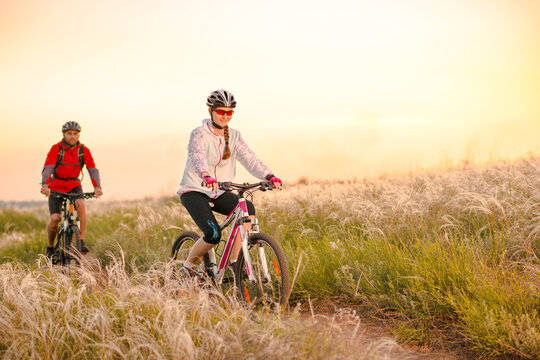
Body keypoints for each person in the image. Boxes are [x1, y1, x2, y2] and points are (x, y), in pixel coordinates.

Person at [177, 89, 282, 276]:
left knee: (247, 209)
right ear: (211, 111)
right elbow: (197, 155)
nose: (225, 116)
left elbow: (249, 158)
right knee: (214, 234)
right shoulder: (199, 133)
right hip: (194, 189)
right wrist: (205, 176)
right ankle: (187, 267)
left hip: (219, 190)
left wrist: (268, 176)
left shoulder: (234, 136)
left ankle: (235, 263)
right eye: (220, 112)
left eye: (229, 112)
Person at [40, 121, 103, 258]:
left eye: (75, 134)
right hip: (56, 185)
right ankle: (50, 247)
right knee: (55, 218)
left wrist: (97, 187)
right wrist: (45, 185)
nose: (72, 137)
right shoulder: (56, 148)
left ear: (78, 135)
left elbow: (92, 169)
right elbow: (48, 167)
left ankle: (80, 240)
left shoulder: (83, 151)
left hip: (74, 184)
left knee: (81, 204)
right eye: (69, 134)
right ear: (64, 135)